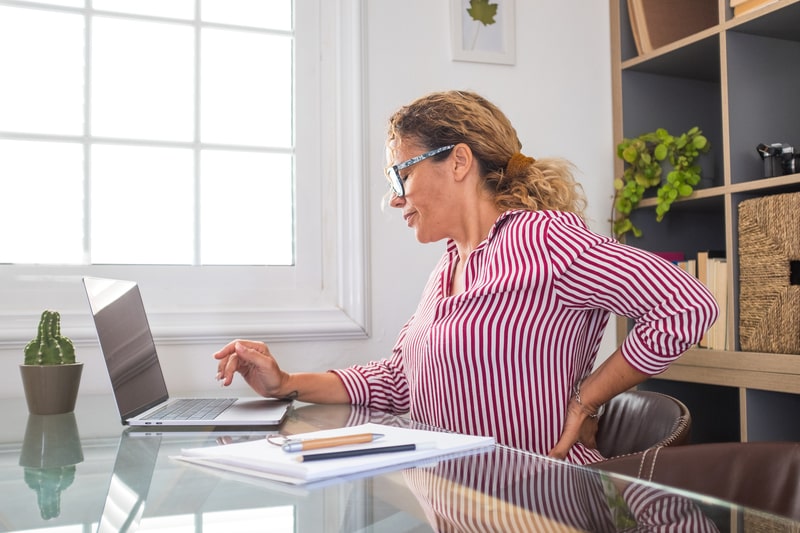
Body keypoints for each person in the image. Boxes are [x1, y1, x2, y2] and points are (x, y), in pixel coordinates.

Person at [214, 90, 718, 464]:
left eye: (400, 174)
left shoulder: (541, 238)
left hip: (537, 500)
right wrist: (286, 383)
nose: (394, 198)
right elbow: (400, 380)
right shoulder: (450, 264)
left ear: (458, 161)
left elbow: (687, 305)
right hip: (461, 499)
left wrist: (586, 399)